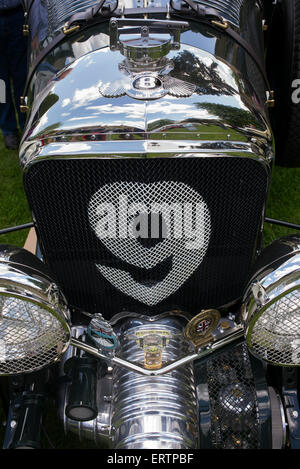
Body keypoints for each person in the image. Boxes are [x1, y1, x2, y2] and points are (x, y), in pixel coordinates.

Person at [0, 1, 27, 150]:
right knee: (0, 83)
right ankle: (8, 129)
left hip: (17, 15)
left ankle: (26, 125)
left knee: (22, 76)